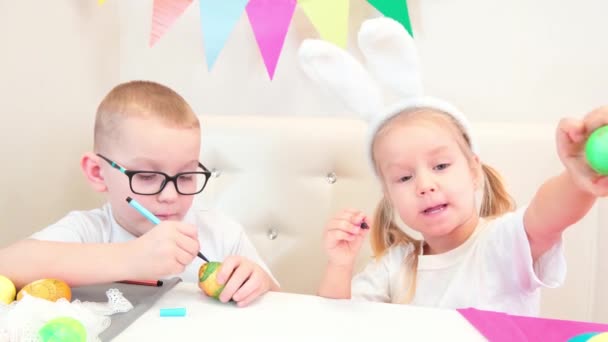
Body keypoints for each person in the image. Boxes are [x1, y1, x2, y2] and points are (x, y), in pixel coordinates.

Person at [299, 17, 608, 315]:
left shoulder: (500, 245)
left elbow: (548, 216)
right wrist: (340, 265)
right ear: (389, 196)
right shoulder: (394, 266)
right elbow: (336, 324)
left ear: (474, 171)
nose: (424, 185)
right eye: (404, 177)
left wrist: (575, 178)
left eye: (441, 165)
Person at [0, 81, 279, 307]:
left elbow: (278, 303)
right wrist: (130, 258)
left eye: (185, 176)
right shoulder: (91, 231)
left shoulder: (221, 233)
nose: (170, 195)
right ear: (98, 173)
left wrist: (258, 283)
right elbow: (9, 263)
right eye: (146, 176)